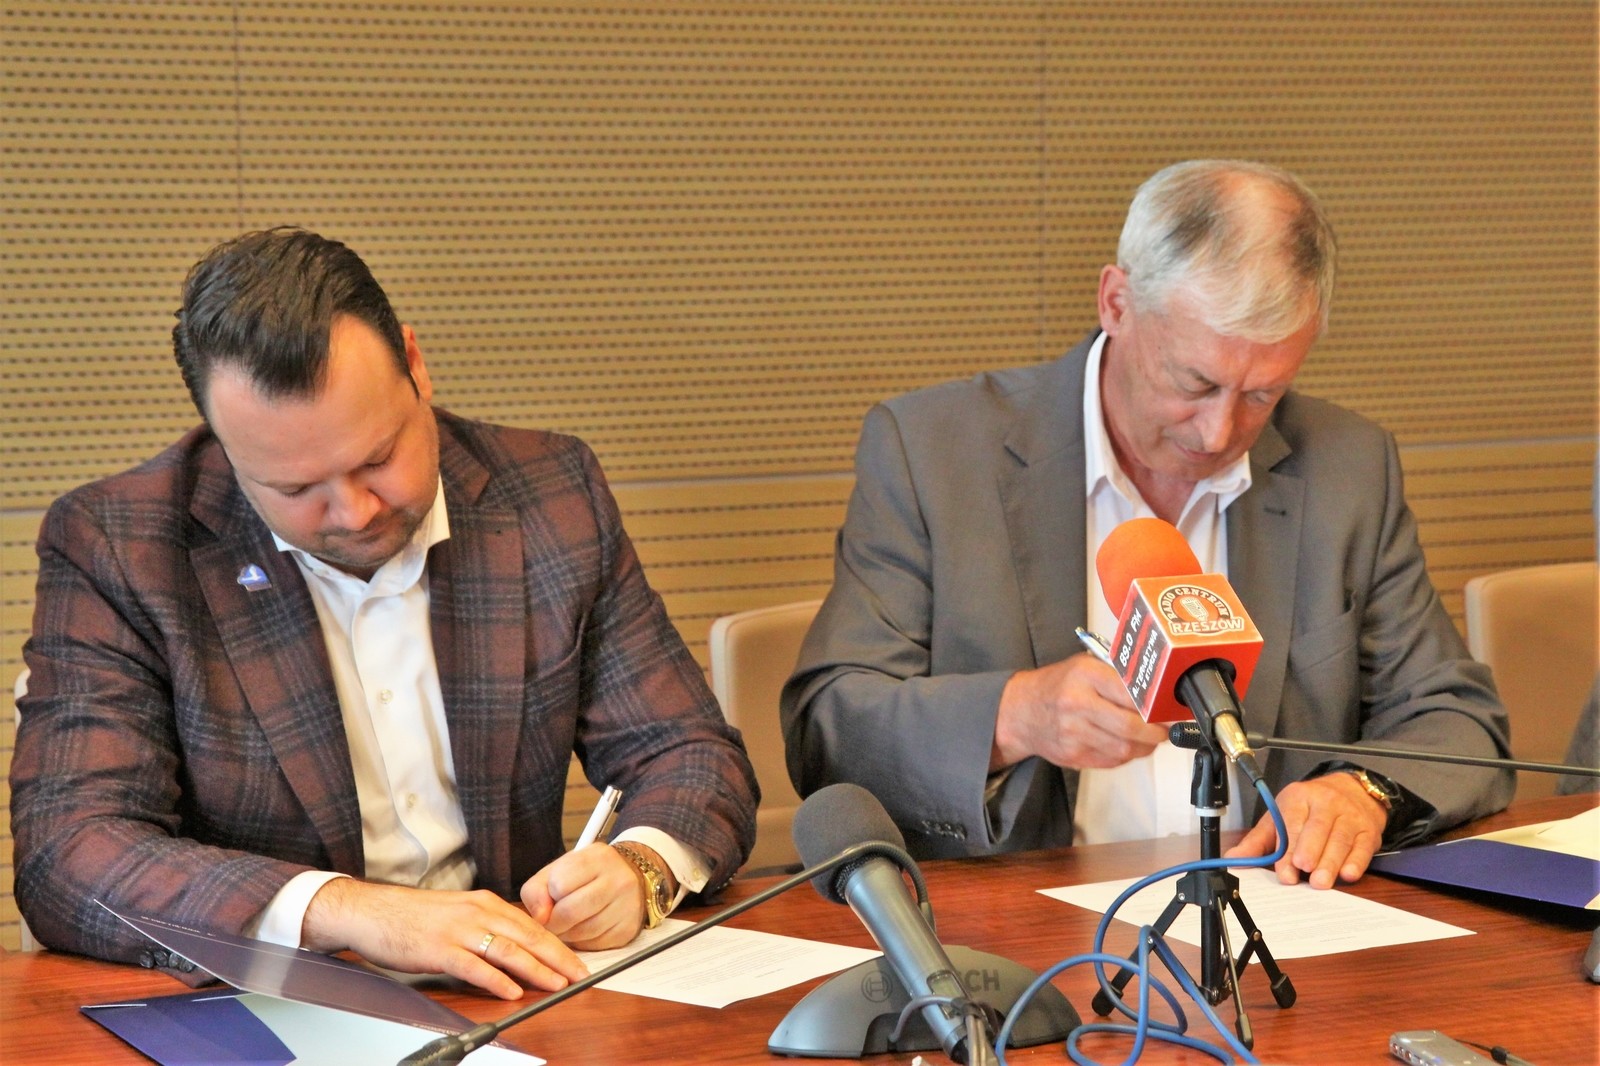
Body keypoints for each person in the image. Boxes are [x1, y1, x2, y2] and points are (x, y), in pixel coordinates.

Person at [10, 228, 759, 999]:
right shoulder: (123, 545)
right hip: (277, 1007)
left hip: (520, 998)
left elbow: (688, 751)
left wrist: (640, 868)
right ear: (224, 444)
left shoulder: (548, 492)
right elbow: (69, 850)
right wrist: (348, 912)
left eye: (377, 458)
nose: (355, 510)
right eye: (295, 489)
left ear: (415, 363)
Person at [782, 160, 1513, 890]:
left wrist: (1364, 790)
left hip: (1279, 911)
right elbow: (830, 729)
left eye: (1262, 395)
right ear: (1116, 303)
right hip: (1020, 920)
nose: (1219, 431)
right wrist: (1015, 716)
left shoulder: (1346, 467)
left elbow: (1457, 717)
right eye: (1194, 382)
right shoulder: (934, 453)